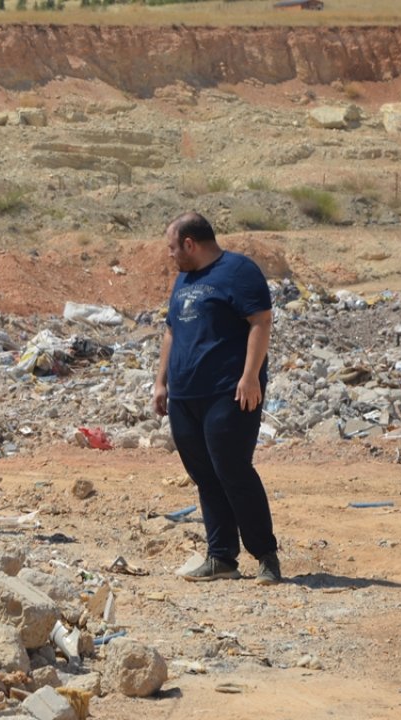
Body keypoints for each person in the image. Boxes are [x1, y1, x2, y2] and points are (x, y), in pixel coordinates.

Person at [152, 212, 281, 585]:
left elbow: (261, 321)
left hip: (230, 391)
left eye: (173, 247)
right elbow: (171, 332)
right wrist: (161, 383)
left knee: (233, 470)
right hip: (185, 395)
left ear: (190, 244)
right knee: (205, 475)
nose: (170, 255)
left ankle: (266, 555)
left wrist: (250, 376)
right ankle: (221, 556)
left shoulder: (239, 271)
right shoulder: (183, 279)